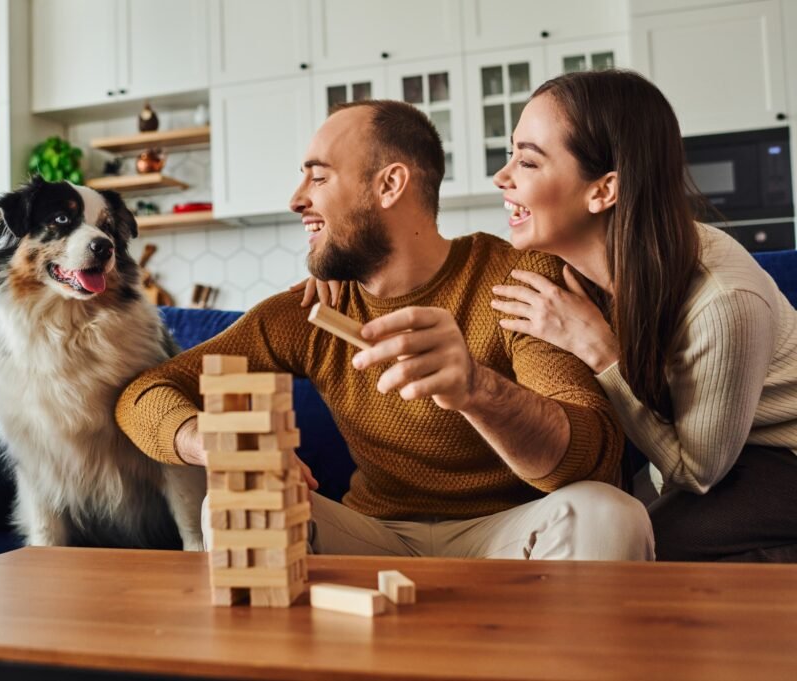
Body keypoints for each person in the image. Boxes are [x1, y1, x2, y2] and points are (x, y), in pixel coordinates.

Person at [116, 99, 653, 561]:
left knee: (610, 515)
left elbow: (592, 460)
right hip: (375, 535)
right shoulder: (309, 312)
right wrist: (208, 441)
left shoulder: (517, 279)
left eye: (319, 176)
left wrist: (476, 389)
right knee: (236, 500)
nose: (297, 198)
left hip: (508, 531)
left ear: (390, 185)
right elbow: (143, 394)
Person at [488, 69, 797, 562]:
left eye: (527, 161)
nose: (502, 177)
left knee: (643, 540)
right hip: (710, 450)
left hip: (779, 454)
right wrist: (340, 273)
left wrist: (599, 351)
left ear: (602, 191)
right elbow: (453, 265)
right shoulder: (567, 258)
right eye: (511, 154)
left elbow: (694, 471)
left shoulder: (724, 301)